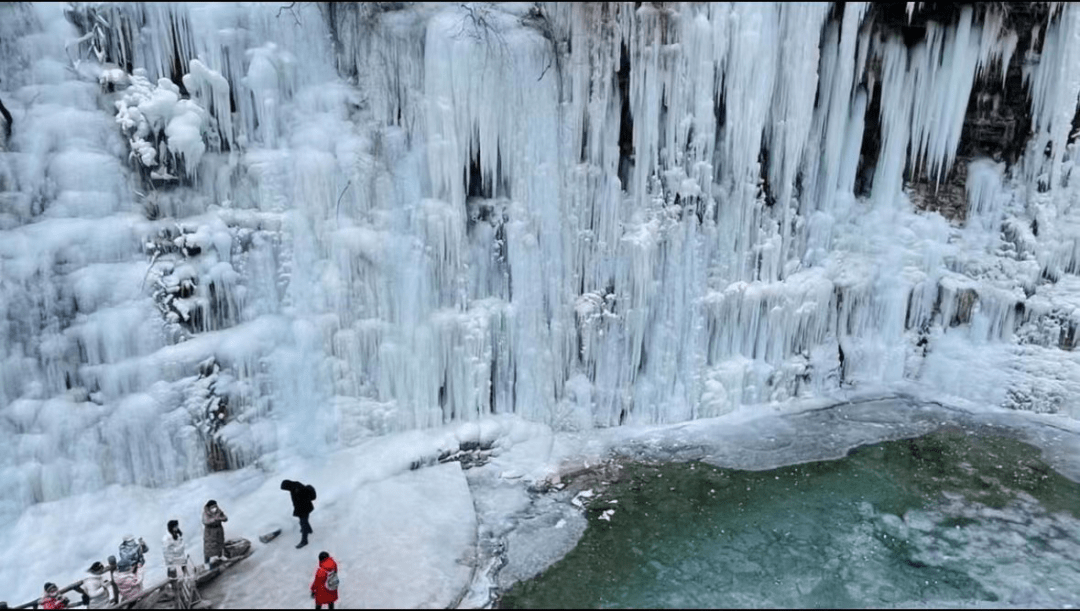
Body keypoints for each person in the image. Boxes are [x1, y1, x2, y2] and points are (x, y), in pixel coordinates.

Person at [281, 479, 317, 549]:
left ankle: (304, 541)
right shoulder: (293, 487)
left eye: (285, 489)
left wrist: (300, 509)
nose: (286, 490)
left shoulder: (298, 489)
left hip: (304, 509)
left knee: (303, 524)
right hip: (301, 509)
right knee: (304, 522)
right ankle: (309, 530)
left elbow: (304, 499)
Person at [202, 499, 228, 566]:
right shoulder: (205, 513)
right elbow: (205, 521)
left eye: (215, 506)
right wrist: (215, 519)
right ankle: (206, 563)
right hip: (210, 532)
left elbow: (225, 518)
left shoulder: (219, 511)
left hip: (218, 530)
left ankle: (220, 556)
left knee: (220, 543)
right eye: (212, 507)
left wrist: (222, 518)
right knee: (209, 547)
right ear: (209, 507)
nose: (214, 508)